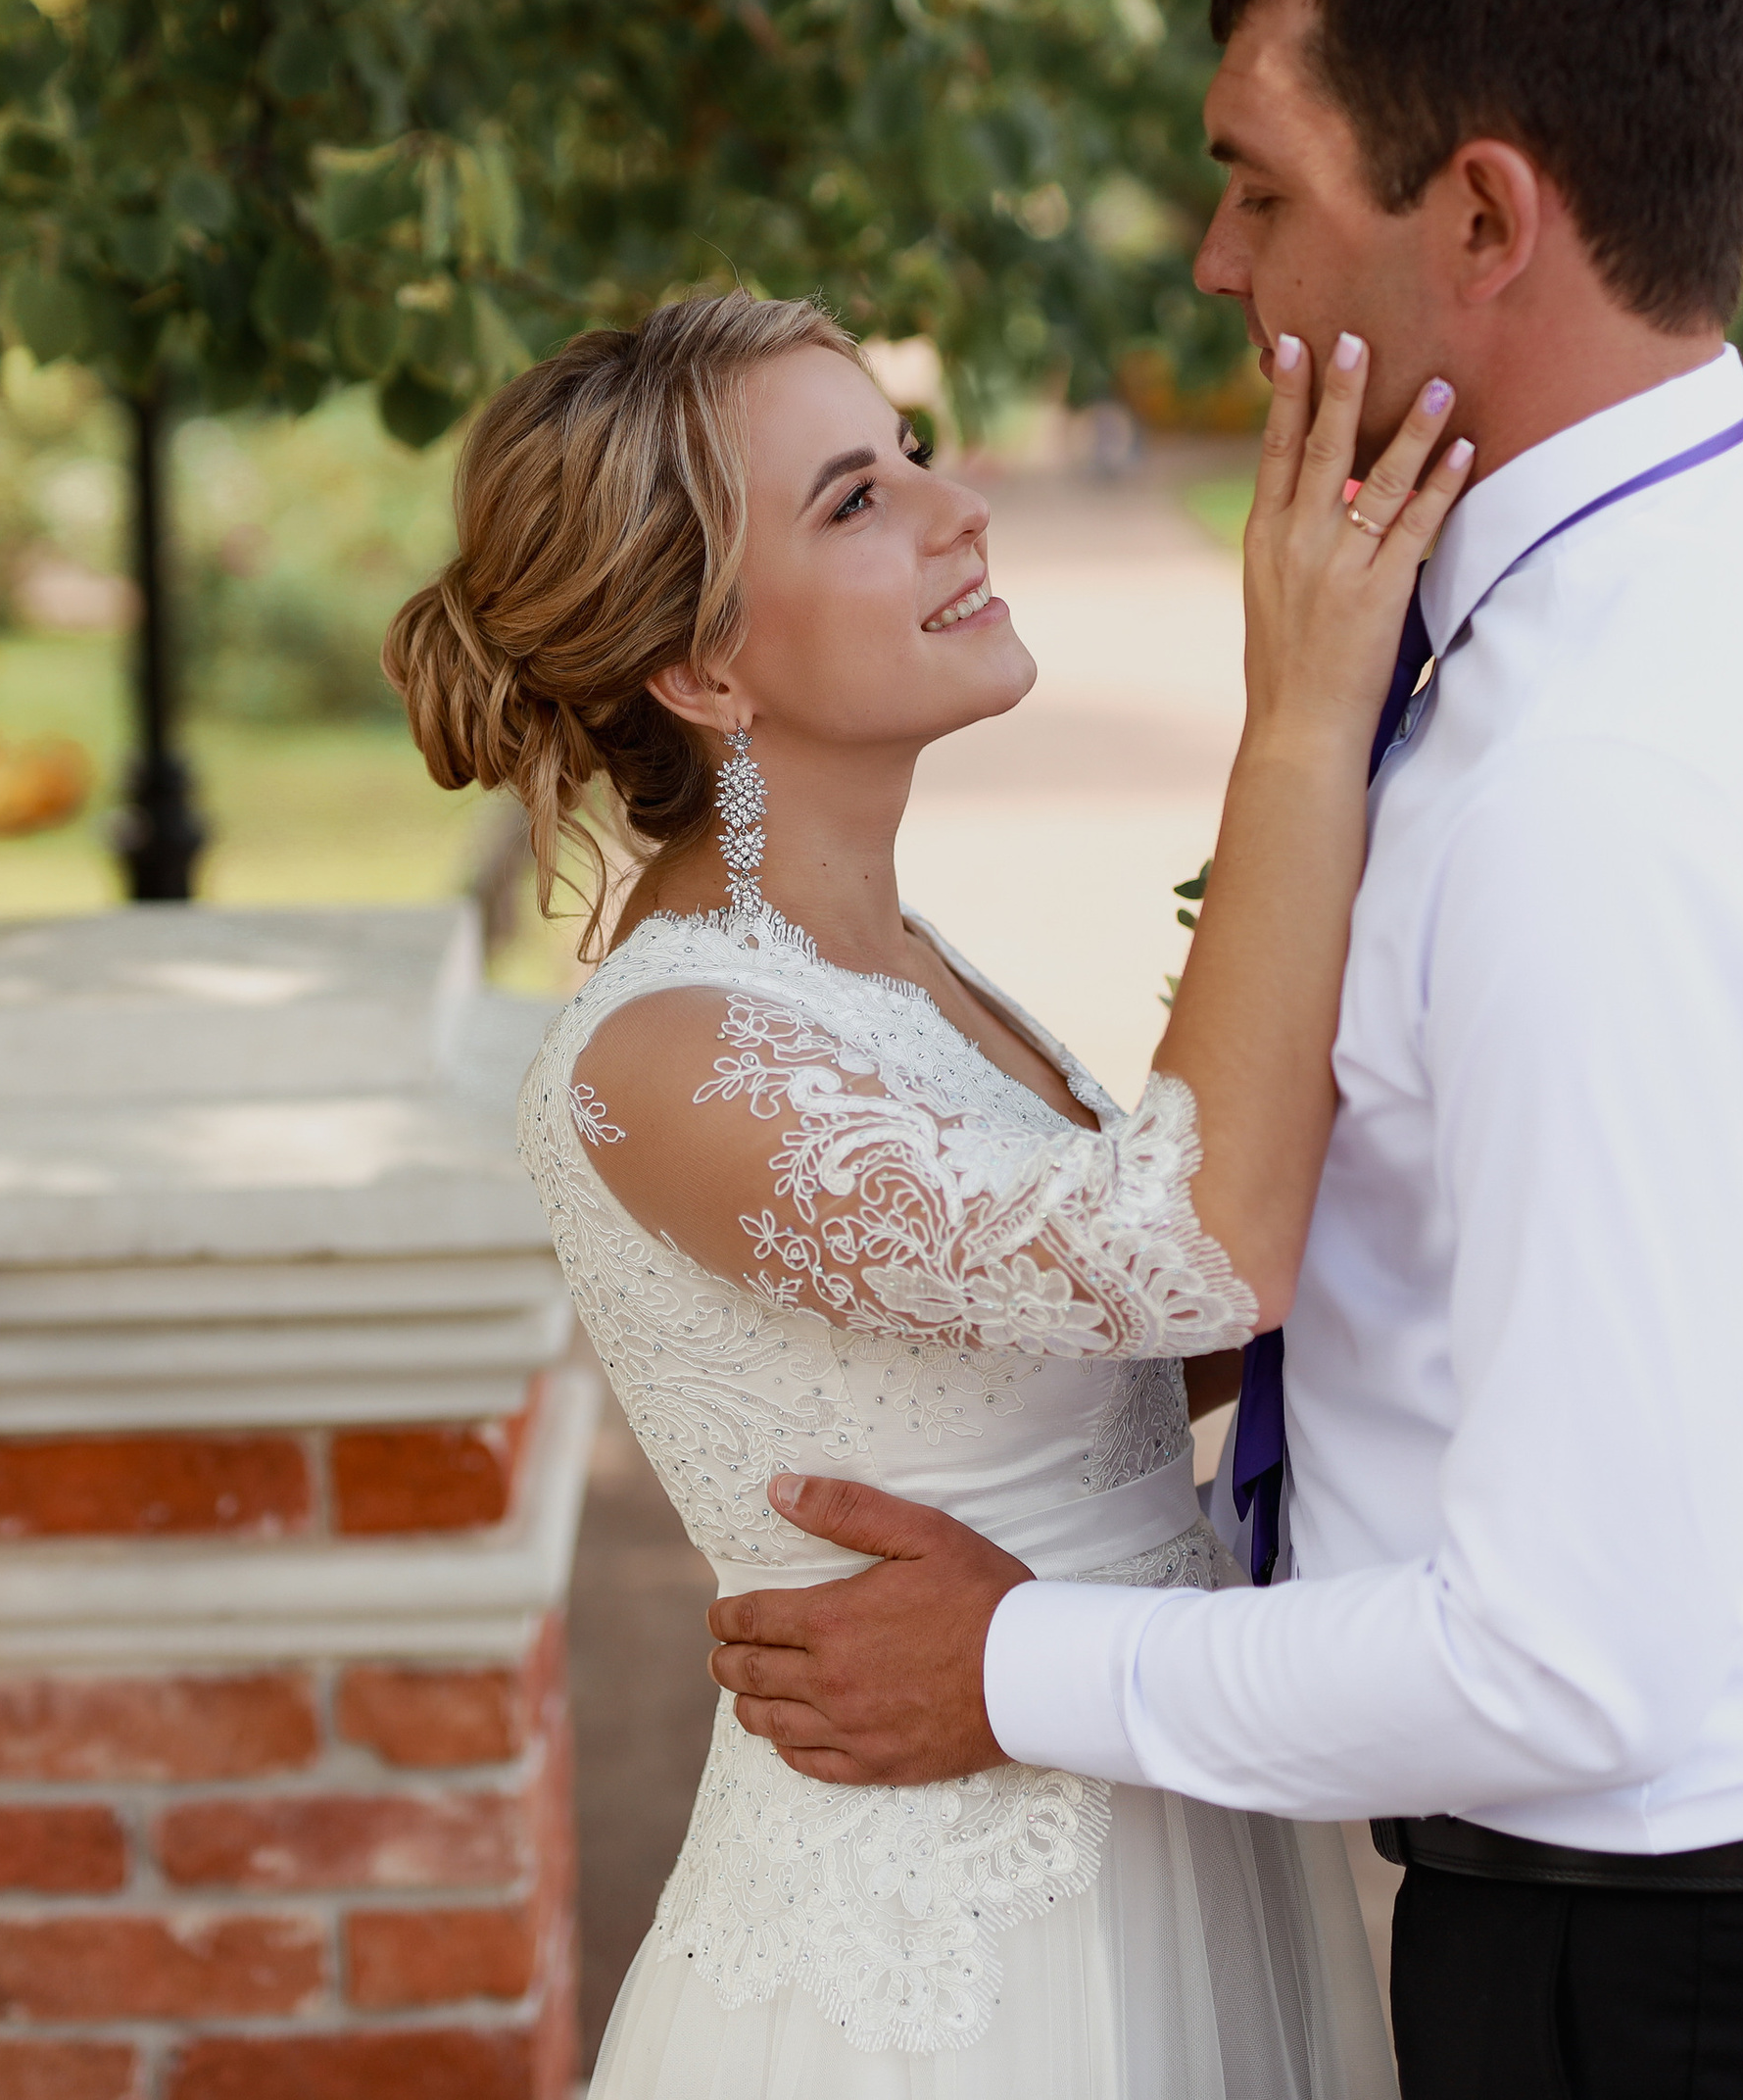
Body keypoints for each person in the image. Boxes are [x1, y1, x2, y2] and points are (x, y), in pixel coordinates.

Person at [703, 0, 1743, 2098]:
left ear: (1480, 217)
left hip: (1681, 1993)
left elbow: (1568, 1664)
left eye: (1254, 186)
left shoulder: (1594, 786)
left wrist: (1009, 1664)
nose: (1207, 260)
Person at [384, 284, 1467, 2093]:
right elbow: (1192, 1253)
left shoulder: (897, 965)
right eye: (856, 501)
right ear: (705, 673)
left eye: (911, 456)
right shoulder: (670, 1052)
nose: (959, 512)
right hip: (942, 1947)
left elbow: (1115, 1352)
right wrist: (1299, 719)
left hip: (1149, 1813)